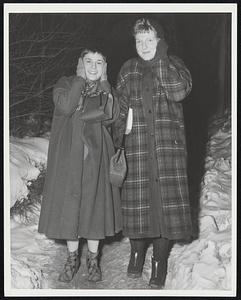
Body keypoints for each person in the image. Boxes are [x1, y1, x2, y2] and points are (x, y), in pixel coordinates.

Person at [113, 18, 193, 289]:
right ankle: (136, 252)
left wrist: (159, 59)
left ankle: (159, 262)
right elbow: (119, 110)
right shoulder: (127, 69)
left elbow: (179, 91)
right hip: (136, 148)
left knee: (164, 208)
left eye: (150, 40)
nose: (144, 46)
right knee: (138, 205)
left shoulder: (174, 64)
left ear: (160, 41)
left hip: (166, 149)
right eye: (139, 41)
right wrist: (116, 134)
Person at [38, 47, 122, 283]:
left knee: (94, 209)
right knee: (71, 210)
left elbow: (113, 116)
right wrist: (79, 80)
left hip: (97, 160)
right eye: (89, 61)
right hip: (70, 159)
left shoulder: (106, 90)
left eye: (99, 62)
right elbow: (65, 106)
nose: (93, 67)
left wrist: (105, 85)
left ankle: (93, 260)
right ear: (80, 63)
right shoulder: (65, 83)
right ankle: (72, 258)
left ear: (105, 66)